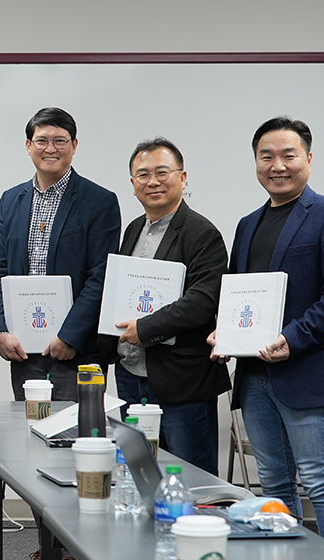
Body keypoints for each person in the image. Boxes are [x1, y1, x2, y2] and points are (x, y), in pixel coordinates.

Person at [210, 117, 324, 550]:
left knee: (320, 482)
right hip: (254, 375)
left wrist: (293, 338)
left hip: (306, 370)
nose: (277, 165)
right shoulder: (247, 224)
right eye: (266, 156)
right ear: (256, 162)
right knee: (273, 482)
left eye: (288, 155)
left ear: (308, 160)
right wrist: (225, 333)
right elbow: (240, 296)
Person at [0, 108, 115, 560]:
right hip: (23, 353)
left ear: (74, 146)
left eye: (60, 140)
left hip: (74, 354)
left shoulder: (99, 201)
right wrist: (0, 329)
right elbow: (0, 268)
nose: (50, 148)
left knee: (76, 454)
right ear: (28, 146)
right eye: (41, 140)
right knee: (34, 456)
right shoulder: (12, 200)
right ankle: (49, 551)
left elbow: (100, 275)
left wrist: (70, 334)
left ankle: (78, 555)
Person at [94, 138, 229, 476]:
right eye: (143, 175)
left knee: (191, 479)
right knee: (141, 475)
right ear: (133, 185)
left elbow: (203, 301)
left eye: (162, 172)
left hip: (180, 380)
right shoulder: (134, 229)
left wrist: (147, 328)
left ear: (182, 178)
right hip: (131, 375)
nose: (152, 181)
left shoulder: (202, 233)